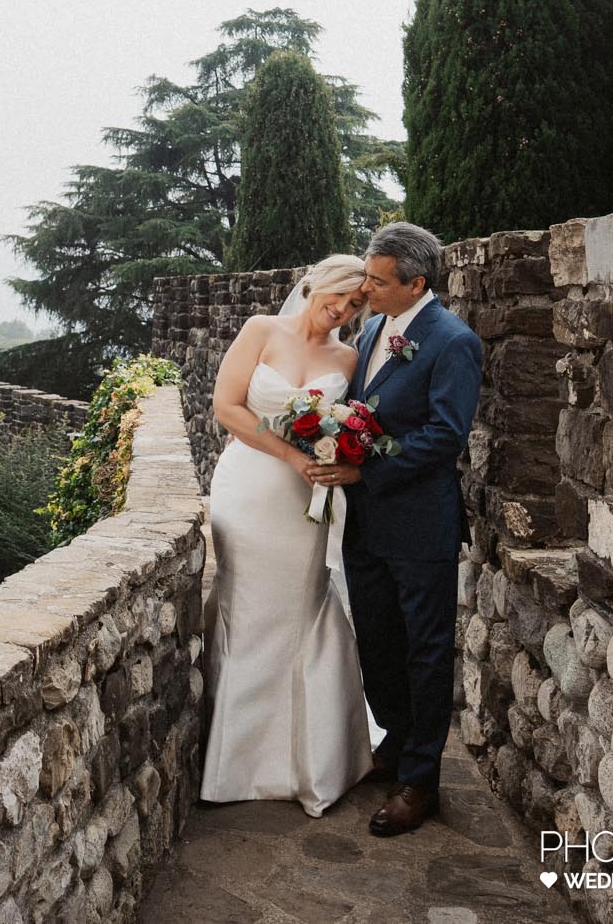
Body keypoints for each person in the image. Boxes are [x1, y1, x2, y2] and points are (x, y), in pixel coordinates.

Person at [307, 222, 483, 837]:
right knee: (377, 641)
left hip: (419, 526)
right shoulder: (378, 326)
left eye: (378, 282)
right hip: (367, 526)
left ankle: (421, 781)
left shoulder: (453, 341)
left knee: (425, 650)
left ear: (417, 284)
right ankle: (395, 743)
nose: (366, 289)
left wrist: (363, 468)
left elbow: (444, 437)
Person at [199, 253, 378, 816]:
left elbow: (355, 422)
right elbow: (226, 407)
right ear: (314, 282)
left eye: (356, 304)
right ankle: (234, 762)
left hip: (307, 499)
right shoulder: (261, 330)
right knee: (244, 606)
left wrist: (340, 451)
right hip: (250, 488)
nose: (342, 310)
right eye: (339, 296)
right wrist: (289, 455)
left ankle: (310, 761)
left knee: (303, 607)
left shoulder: (349, 356)